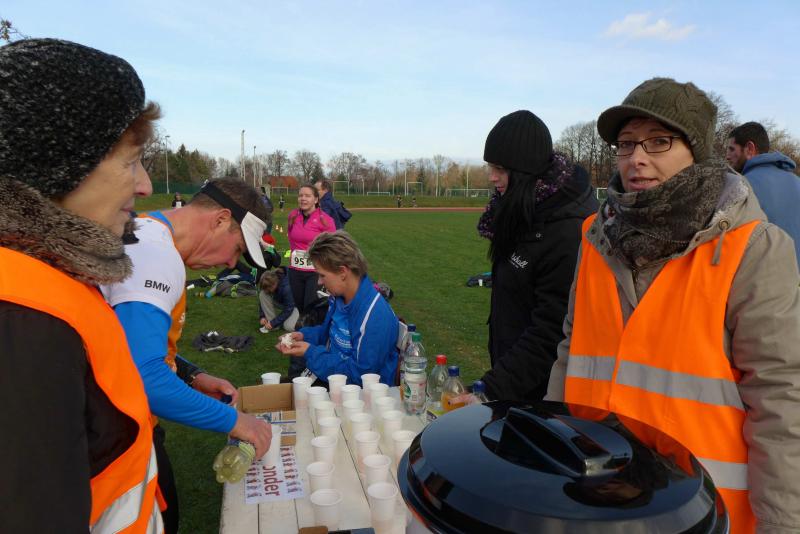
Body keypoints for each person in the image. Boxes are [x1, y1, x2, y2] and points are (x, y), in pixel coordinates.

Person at [546, 78, 800, 533]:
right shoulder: (595, 237)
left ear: (696, 152)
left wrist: (781, 524)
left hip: (702, 511)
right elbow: (570, 349)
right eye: (627, 144)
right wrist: (552, 451)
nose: (637, 158)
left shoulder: (754, 248)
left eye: (659, 141)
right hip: (596, 500)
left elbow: (781, 398)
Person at [0, 38, 163, 532]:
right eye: (131, 161)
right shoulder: (22, 320)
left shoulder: (46, 278)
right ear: (57, 165)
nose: (145, 185)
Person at [102, 178, 273, 533]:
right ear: (220, 219)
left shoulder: (148, 234)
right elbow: (143, 376)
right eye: (237, 249)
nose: (231, 262)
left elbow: (125, 345)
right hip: (115, 433)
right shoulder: (157, 255)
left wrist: (192, 375)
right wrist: (237, 422)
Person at [476, 110, 597, 402]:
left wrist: (492, 388)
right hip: (515, 381)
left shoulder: (567, 231)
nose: (492, 177)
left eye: (500, 169)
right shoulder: (520, 208)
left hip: (542, 396)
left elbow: (551, 331)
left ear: (525, 171)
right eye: (490, 166)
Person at [277, 231, 399, 386]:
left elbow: (359, 376)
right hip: (334, 381)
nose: (319, 282)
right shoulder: (339, 298)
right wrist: (303, 336)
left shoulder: (375, 316)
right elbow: (330, 334)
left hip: (358, 393)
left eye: (322, 275)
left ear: (342, 272)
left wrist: (310, 352)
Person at [726, 121, 800, 265]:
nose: (727, 156)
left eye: (731, 149)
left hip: (763, 275)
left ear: (749, 149)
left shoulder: (741, 186)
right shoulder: (797, 182)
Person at [286, 184, 336, 377]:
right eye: (300, 195)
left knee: (311, 311)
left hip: (315, 273)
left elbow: (332, 245)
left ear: (316, 199)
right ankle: (308, 348)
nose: (303, 199)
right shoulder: (293, 216)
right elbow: (292, 239)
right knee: (301, 310)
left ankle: (307, 357)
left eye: (307, 195)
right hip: (295, 271)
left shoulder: (325, 220)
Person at [258, 268, 299, 333]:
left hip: (296, 305)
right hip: (283, 302)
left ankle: (305, 319)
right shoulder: (273, 280)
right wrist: (262, 316)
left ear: (274, 284)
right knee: (262, 294)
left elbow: (289, 308)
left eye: (268, 289)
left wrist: (274, 323)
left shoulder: (286, 288)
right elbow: (262, 301)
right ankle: (272, 323)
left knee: (289, 327)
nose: (267, 291)